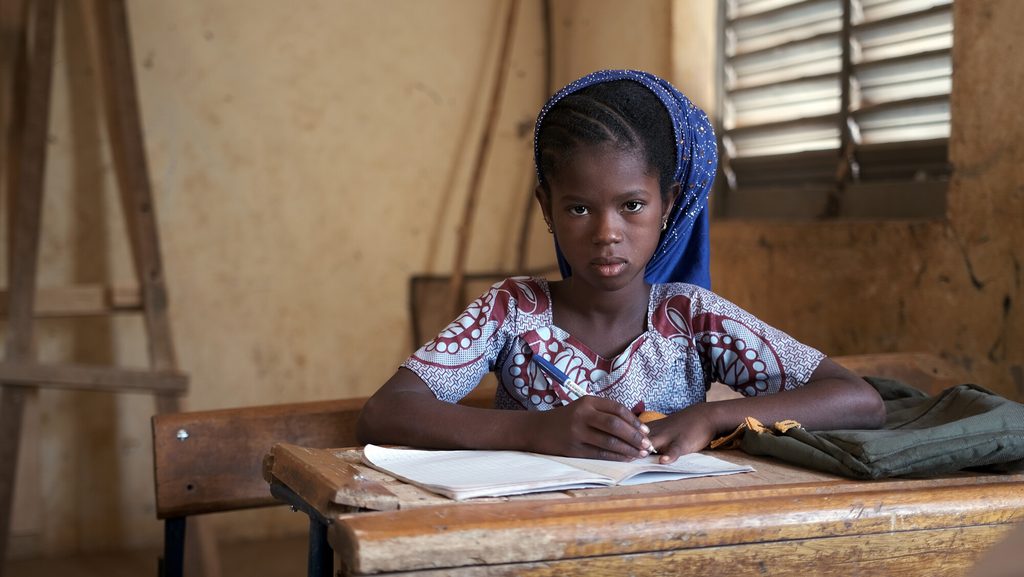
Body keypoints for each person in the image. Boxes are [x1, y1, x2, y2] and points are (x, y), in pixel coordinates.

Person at [357, 69, 885, 464]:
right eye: (579, 207)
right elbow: (387, 411)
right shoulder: (512, 311)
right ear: (547, 207)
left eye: (632, 205)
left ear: (668, 204)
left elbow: (858, 401)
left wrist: (709, 416)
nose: (607, 232)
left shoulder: (692, 318)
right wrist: (536, 431)